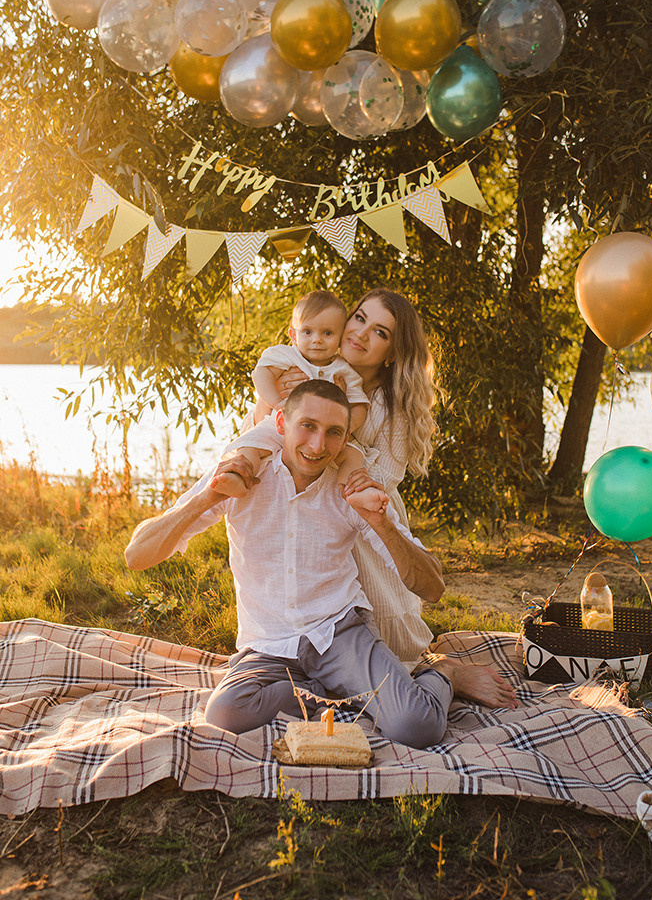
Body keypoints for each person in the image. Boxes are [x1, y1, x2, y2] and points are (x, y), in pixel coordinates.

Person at [125, 380, 516, 747]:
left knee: (418, 727)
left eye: (333, 432)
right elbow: (136, 555)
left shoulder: (352, 489)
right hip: (268, 645)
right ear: (280, 422)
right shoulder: (241, 474)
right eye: (307, 426)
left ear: (346, 439)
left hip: (339, 632)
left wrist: (380, 522)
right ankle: (336, 690)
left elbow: (432, 587)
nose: (317, 444)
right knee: (225, 713)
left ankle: (442, 672)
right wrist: (205, 499)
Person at [269, 288, 440, 670]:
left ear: (393, 351)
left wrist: (332, 452)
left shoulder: (391, 405)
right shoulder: (306, 368)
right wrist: (277, 397)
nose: (360, 333)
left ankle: (418, 669)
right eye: (360, 318)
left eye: (380, 332)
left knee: (378, 628)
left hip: (361, 512)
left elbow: (384, 477)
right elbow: (268, 428)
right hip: (309, 505)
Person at [222, 289, 383, 510]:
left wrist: (346, 428)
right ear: (293, 335)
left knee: (353, 455)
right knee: (252, 442)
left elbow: (359, 406)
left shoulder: (343, 371)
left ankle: (353, 492)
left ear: (340, 338)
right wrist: (276, 402)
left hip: (321, 434)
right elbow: (261, 374)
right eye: (307, 332)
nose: (316, 340)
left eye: (327, 333)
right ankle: (239, 476)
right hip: (280, 425)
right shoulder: (286, 355)